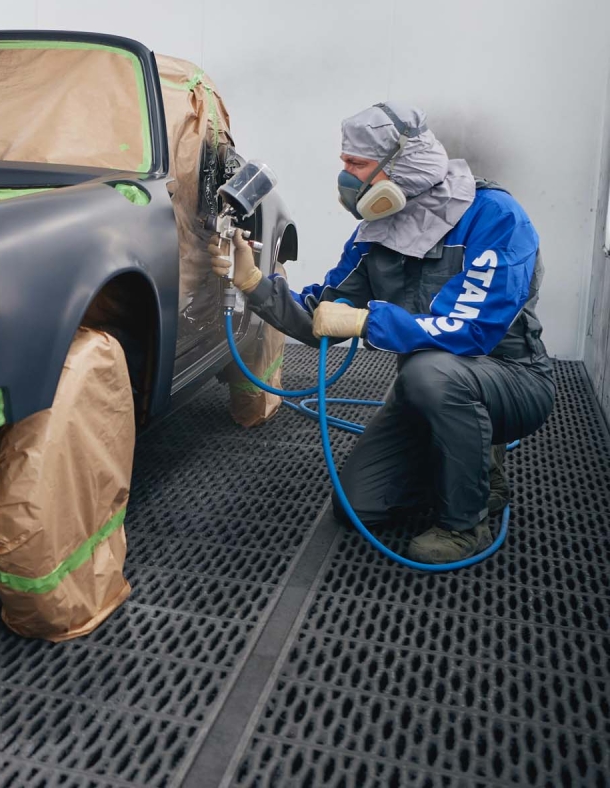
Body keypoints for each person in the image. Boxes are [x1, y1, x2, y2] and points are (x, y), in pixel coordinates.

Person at [209, 103, 554, 563]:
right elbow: (321, 315)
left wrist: (367, 322)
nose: (345, 177)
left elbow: (473, 329)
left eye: (356, 164)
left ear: (402, 164)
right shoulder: (375, 233)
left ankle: (465, 521)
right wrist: (253, 283)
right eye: (344, 162)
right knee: (357, 506)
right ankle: (454, 462)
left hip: (511, 380)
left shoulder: (495, 216)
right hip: (425, 388)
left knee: (432, 374)